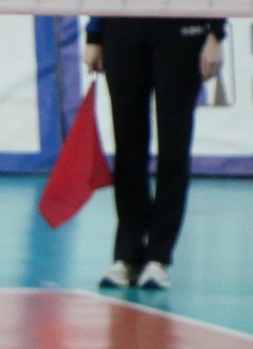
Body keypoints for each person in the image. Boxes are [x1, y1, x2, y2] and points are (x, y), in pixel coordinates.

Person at [85, 15, 224, 292]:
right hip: (123, 26)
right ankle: (127, 255)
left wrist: (216, 34)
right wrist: (94, 34)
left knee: (174, 144)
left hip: (181, 27)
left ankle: (158, 257)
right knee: (127, 144)